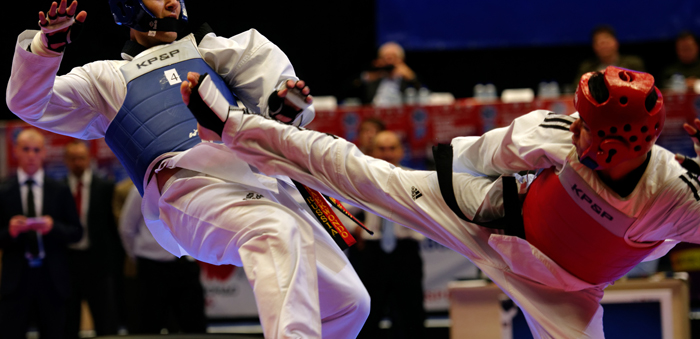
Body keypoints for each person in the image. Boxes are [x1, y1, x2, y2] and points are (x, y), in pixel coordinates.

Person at [182, 65, 700, 338]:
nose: (575, 127)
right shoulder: (553, 132)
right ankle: (231, 126)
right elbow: (473, 159)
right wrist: (481, 204)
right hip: (496, 225)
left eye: (588, 126)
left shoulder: (675, 196)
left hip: (570, 295)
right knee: (361, 171)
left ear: (617, 145)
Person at [7, 0, 369, 338]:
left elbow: (277, 102)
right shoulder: (107, 79)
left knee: (349, 303)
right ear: (129, 3)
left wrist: (283, 107)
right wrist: (47, 49)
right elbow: (28, 103)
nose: (172, 0)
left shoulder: (215, 52)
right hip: (188, 190)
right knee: (273, 231)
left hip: (260, 182)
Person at [0, 128, 83, 339]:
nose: (31, 155)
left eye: (36, 150)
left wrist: (53, 227)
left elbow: (77, 232)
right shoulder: (3, 191)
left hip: (52, 279)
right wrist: (9, 231)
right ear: (15, 151)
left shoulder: (59, 189)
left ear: (44, 153)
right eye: (26, 149)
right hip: (16, 280)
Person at [349, 130, 426, 338]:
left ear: (401, 151)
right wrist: (356, 228)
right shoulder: (361, 180)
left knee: (411, 314)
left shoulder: (414, 179)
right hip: (373, 254)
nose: (387, 153)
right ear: (372, 152)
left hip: (406, 250)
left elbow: (429, 211)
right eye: (381, 148)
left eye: (392, 148)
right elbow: (339, 209)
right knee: (368, 315)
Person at [119, 185, 207, 333]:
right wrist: (138, 255)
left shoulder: (191, 185)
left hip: (185, 264)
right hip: (152, 267)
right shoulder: (141, 190)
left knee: (194, 323)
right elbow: (126, 228)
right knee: (148, 325)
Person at [63, 140, 123, 338]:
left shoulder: (105, 187)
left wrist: (114, 264)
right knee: (68, 321)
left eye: (81, 158)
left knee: (105, 321)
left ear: (89, 159)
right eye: (73, 159)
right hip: (69, 263)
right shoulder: (59, 189)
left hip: (99, 263)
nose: (78, 163)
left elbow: (113, 230)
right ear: (66, 161)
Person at [353, 42, 423, 105]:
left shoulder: (407, 78)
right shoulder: (373, 76)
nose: (389, 62)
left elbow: (423, 92)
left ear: (401, 60)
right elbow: (351, 90)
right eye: (385, 58)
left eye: (393, 57)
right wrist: (367, 77)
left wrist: (412, 77)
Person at [573, 24, 645, 86]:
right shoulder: (587, 68)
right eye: (600, 42)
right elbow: (577, 88)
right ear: (594, 47)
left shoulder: (632, 64)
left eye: (607, 41)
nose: (604, 45)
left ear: (616, 42)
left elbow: (643, 84)